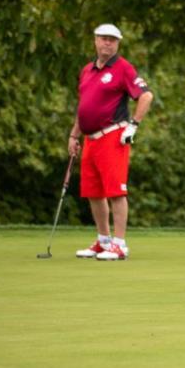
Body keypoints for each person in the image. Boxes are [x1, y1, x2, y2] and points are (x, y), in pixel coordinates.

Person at [69, 23, 154, 261]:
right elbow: (84, 106)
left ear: (118, 43)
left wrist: (133, 124)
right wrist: (74, 135)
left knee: (116, 191)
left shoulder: (123, 68)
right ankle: (103, 240)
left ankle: (119, 244)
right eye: (103, 38)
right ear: (95, 40)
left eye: (112, 40)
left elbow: (146, 96)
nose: (108, 43)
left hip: (112, 136)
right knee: (93, 192)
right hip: (90, 139)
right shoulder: (87, 70)